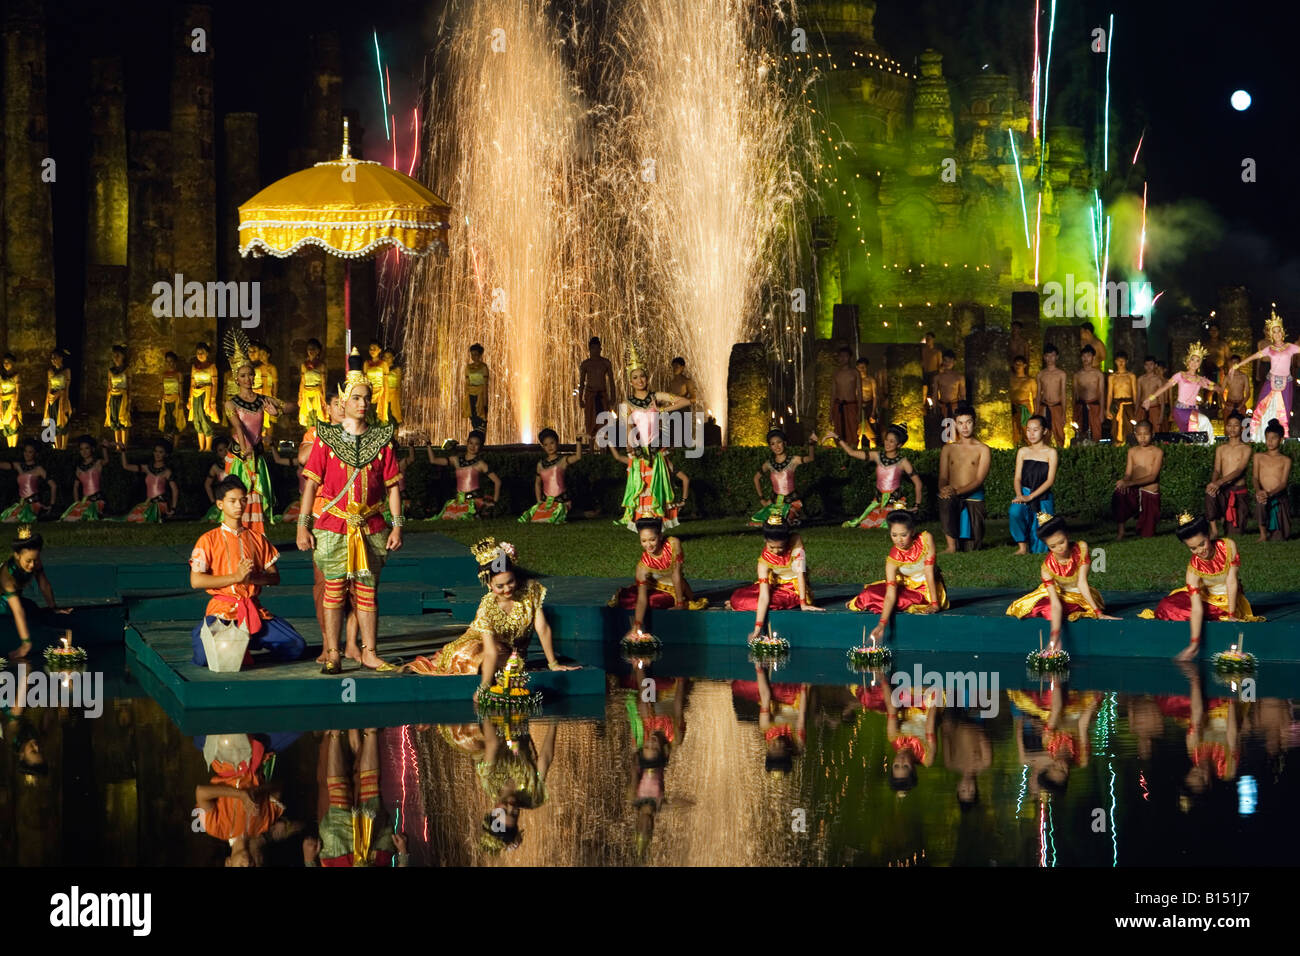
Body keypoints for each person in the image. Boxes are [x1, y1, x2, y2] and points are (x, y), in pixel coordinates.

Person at [297, 351, 403, 674]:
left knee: (368, 590)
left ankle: (370, 652)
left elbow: (393, 487)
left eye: (367, 398)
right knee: (334, 589)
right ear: (344, 400)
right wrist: (303, 525)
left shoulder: (381, 440)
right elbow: (311, 487)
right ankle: (332, 652)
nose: (363, 404)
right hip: (333, 525)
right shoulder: (326, 439)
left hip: (371, 525)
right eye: (357, 397)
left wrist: (398, 526)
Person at [403, 538, 576, 684]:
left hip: (512, 652)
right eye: (500, 586)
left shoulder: (531, 590)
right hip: (483, 642)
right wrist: (484, 687)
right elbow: (490, 650)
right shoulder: (488, 607)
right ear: (489, 585)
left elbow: (542, 628)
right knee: (470, 655)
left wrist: (553, 663)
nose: (507, 589)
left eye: (511, 582)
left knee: (512, 667)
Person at [188, 476, 306, 668]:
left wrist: (254, 578)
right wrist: (235, 577)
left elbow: (275, 577)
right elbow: (196, 580)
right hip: (222, 612)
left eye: (243, 500)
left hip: (252, 610)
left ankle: (245, 643)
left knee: (296, 646)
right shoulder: (208, 540)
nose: (239, 505)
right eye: (232, 501)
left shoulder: (257, 538)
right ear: (220, 504)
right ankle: (221, 640)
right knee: (203, 657)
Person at [1139, 513, 1263, 660]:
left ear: (1209, 535)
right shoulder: (1193, 569)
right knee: (1166, 605)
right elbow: (1197, 608)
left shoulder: (1228, 547)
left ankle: (1222, 614)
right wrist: (1194, 643)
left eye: (1202, 544)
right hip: (1207, 597)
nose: (1200, 551)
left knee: (1185, 610)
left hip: (1228, 599)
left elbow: (1232, 581)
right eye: (1193, 548)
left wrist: (1231, 615)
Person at [610, 342, 693, 530]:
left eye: (642, 376)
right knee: (642, 487)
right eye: (635, 378)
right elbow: (628, 426)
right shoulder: (627, 403)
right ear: (631, 382)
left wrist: (663, 409)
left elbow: (685, 400)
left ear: (647, 377)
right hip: (640, 451)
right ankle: (644, 525)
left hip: (657, 449)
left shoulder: (656, 397)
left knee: (658, 487)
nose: (640, 380)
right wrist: (630, 444)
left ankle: (658, 524)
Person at [1006, 514, 1117, 653]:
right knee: (1047, 607)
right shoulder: (1046, 568)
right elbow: (1055, 603)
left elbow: (1082, 583)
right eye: (1053, 546)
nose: (1060, 548)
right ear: (1047, 546)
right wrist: (1054, 638)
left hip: (1079, 594)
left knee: (1069, 608)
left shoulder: (1081, 548)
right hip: (1057, 595)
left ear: (1067, 535)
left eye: (1062, 542)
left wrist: (1098, 613)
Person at [223, 330, 290, 535]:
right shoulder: (230, 403)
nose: (248, 378)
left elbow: (290, 407)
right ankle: (236, 534)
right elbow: (239, 427)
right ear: (237, 379)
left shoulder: (263, 399)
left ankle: (256, 535)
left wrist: (277, 410)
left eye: (251, 374)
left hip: (256, 454)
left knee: (255, 495)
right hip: (239, 456)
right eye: (243, 375)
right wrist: (245, 448)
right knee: (238, 496)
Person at [847, 509, 948, 637]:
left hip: (927, 589)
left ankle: (928, 601)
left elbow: (929, 572)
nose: (899, 540)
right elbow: (890, 593)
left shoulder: (925, 539)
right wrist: (882, 624)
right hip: (906, 586)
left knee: (900, 601)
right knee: (870, 593)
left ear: (912, 531)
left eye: (903, 535)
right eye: (894, 535)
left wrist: (935, 604)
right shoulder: (892, 560)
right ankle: (860, 601)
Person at [308, 728, 399, 866]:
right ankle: (369, 730)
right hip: (373, 855)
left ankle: (335, 732)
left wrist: (308, 861)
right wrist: (403, 854)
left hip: (339, 857)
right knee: (369, 789)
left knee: (338, 795)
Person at [609, 517, 708, 634]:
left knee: (653, 602)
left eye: (652, 539)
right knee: (630, 599)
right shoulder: (642, 566)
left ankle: (681, 600)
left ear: (660, 536)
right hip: (654, 587)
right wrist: (637, 624)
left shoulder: (673, 544)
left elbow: (677, 574)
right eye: (643, 541)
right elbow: (642, 597)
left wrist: (680, 603)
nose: (648, 545)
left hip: (675, 590)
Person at [727, 514, 821, 636]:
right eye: (772, 547)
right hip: (775, 584)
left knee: (757, 602)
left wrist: (803, 604)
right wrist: (757, 629)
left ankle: (739, 606)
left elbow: (800, 573)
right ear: (765, 540)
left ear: (786, 540)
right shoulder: (763, 562)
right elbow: (764, 596)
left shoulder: (795, 541)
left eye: (780, 547)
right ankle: (737, 604)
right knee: (738, 597)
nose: (776, 551)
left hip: (793, 589)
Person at [0, 526, 72, 661]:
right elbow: (17, 610)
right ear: (17, 555)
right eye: (28, 561)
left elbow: (44, 584)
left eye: (36, 560)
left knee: (33, 607)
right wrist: (26, 643)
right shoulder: (7, 574)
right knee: (11, 608)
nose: (32, 565)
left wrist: (53, 607)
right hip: (3, 602)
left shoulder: (34, 561)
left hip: (14, 599)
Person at [835, 423, 922, 529]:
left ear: (899, 445)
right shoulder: (877, 456)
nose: (887, 443)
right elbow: (852, 452)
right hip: (878, 502)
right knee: (866, 524)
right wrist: (837, 438)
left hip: (894, 502)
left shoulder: (903, 462)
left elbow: (918, 483)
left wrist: (917, 505)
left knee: (887, 524)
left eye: (892, 441)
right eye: (886, 440)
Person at [1232, 311, 1300, 438]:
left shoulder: (1290, 347)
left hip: (1286, 383)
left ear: (1282, 332)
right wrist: (1238, 365)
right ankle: (1258, 437)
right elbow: (1254, 356)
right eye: (1274, 332)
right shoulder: (1269, 349)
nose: (1277, 334)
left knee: (1283, 411)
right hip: (1270, 382)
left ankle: (1282, 438)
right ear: (1271, 335)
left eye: (1279, 331)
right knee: (1261, 408)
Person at [937, 403, 989, 552]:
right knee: (945, 500)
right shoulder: (948, 448)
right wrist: (944, 489)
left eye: (968, 422)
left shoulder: (983, 449)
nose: (964, 427)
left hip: (973, 498)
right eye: (960, 423)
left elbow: (979, 480)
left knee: (972, 547)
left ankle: (970, 537)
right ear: (955, 425)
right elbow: (943, 476)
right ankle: (951, 546)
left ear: (975, 423)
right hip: (952, 497)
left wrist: (957, 492)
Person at [1142, 343, 1220, 434]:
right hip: (1181, 410)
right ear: (1188, 361)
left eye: (1198, 361)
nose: (1194, 363)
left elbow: (1218, 389)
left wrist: (1209, 384)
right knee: (1203, 421)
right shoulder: (1180, 375)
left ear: (1200, 364)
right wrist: (1149, 399)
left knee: (1192, 434)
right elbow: (1165, 387)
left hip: (1193, 410)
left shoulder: (1200, 379)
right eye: (1192, 359)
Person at [1008, 415, 1058, 554]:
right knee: (1014, 512)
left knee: (1041, 547)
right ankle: (1022, 547)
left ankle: (1036, 546)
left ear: (1044, 431)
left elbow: (1050, 480)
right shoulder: (1023, 451)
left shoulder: (1051, 453)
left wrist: (1031, 497)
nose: (1031, 434)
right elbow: (1017, 478)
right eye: (1028, 430)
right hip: (1023, 492)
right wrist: (1020, 495)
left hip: (1043, 497)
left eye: (1035, 430)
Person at [750, 427, 815, 526]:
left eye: (779, 442)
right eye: (772, 444)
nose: (776, 446)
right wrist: (762, 499)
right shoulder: (769, 464)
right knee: (760, 521)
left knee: (783, 521)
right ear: (770, 447)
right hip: (777, 501)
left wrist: (811, 444)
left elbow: (810, 458)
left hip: (792, 502)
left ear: (784, 443)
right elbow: (756, 478)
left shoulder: (793, 460)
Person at [429, 430, 501, 520]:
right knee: (449, 516)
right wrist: (428, 443)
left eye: (476, 444)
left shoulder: (480, 464)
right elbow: (433, 460)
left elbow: (497, 481)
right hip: (459, 501)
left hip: (474, 501)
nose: (473, 446)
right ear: (467, 443)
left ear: (480, 446)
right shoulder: (456, 460)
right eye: (471, 443)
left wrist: (494, 502)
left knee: (466, 516)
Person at [1112, 419, 1164, 539]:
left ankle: (1144, 526)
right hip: (1133, 489)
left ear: (1152, 434)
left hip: (1149, 491)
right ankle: (1121, 531)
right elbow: (1128, 473)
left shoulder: (1157, 452)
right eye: (1139, 435)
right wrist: (1124, 481)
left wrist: (1130, 483)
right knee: (1119, 493)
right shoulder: (1132, 451)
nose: (1142, 438)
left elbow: (1153, 476)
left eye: (1146, 434)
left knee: (1147, 534)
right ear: (1135, 435)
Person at [1204, 411, 1252, 537]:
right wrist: (1213, 484)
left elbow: (1239, 471)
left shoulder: (1246, 449)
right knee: (1210, 493)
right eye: (1229, 425)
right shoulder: (1221, 449)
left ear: (1242, 428)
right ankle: (1214, 530)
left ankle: (1226, 521)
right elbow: (1217, 470)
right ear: (1226, 427)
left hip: (1238, 491)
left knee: (1235, 533)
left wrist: (1219, 482)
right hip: (1223, 489)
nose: (1232, 428)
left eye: (1235, 425)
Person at [518, 428, 581, 523]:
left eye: (552, 443)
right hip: (546, 501)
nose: (549, 447)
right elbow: (538, 484)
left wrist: (578, 441)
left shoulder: (563, 460)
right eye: (546, 445)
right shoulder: (540, 464)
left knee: (555, 515)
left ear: (557, 443)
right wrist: (539, 501)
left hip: (561, 500)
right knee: (535, 517)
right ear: (543, 447)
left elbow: (578, 457)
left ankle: (573, 513)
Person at [1253, 418, 1292, 541]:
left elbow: (1283, 483)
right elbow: (1255, 477)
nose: (1269, 442)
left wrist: (1269, 494)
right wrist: (1259, 491)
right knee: (1261, 501)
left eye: (1273, 438)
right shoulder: (1258, 457)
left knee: (1280, 537)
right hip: (1262, 494)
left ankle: (1278, 528)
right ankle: (1263, 534)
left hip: (1278, 496)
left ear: (1280, 440)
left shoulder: (1286, 460)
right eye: (1267, 438)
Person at [121, 441, 179, 522]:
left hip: (160, 504)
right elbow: (126, 466)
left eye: (160, 452)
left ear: (166, 454)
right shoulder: (147, 468)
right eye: (155, 451)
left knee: (144, 516)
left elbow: (175, 490)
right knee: (131, 517)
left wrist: (173, 509)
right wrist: (123, 451)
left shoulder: (167, 472)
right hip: (148, 503)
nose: (157, 454)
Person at [0, 440, 55, 522]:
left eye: (30, 452)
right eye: (25, 451)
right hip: (21, 503)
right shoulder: (19, 465)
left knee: (18, 519)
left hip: (33, 504)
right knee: (6, 518)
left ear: (35, 454)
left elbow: (53, 485)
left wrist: (52, 505)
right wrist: (18, 468)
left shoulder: (38, 469)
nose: (26, 454)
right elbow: (3, 465)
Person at [60, 435, 109, 521]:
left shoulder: (97, 463)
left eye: (87, 448)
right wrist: (77, 503)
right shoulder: (79, 468)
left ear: (92, 449)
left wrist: (104, 448)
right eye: (81, 449)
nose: (84, 451)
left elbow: (106, 460)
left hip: (97, 500)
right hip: (85, 501)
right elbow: (76, 487)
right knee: (71, 518)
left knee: (90, 515)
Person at [578, 336, 616, 444]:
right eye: (593, 348)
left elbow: (612, 382)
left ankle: (603, 449)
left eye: (597, 348)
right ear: (589, 349)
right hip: (590, 396)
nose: (595, 350)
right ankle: (590, 450)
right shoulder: (585, 364)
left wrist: (613, 397)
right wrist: (580, 399)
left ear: (600, 349)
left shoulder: (606, 363)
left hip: (602, 396)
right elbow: (581, 383)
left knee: (604, 423)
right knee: (590, 423)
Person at [189, 341, 219, 452]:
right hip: (196, 395)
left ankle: (208, 447)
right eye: (198, 353)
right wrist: (189, 399)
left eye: (202, 352)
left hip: (206, 395)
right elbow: (192, 384)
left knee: (205, 419)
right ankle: (201, 447)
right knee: (197, 419)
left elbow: (215, 384)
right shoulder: (194, 367)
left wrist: (213, 399)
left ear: (207, 353)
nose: (200, 355)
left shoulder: (212, 367)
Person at [1035, 344, 1068, 446]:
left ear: (1057, 357)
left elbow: (1063, 393)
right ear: (1044, 357)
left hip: (1056, 406)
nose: (1050, 358)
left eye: (1052, 356)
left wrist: (1063, 413)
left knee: (1059, 434)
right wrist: (1036, 412)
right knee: (1043, 433)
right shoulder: (1041, 374)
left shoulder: (1061, 374)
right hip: (1044, 406)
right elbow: (1038, 394)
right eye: (1047, 356)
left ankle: (1061, 454)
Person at [829, 346, 862, 443]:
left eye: (845, 356)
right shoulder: (836, 373)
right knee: (838, 431)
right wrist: (831, 412)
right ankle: (840, 452)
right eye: (841, 356)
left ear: (850, 358)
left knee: (852, 431)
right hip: (838, 406)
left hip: (851, 406)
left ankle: (852, 452)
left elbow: (859, 393)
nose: (843, 358)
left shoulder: (855, 373)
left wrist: (859, 411)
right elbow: (833, 393)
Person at [1073, 345, 1104, 444]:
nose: (1086, 358)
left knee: (1096, 433)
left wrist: (1102, 412)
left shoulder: (1098, 374)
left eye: (1088, 356)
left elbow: (1101, 393)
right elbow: (1075, 395)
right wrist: (1074, 412)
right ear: (1081, 357)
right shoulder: (1077, 375)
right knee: (1080, 433)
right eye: (1084, 356)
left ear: (1093, 357)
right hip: (1080, 406)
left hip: (1094, 406)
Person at [44, 348, 72, 450]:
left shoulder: (66, 371)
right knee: (54, 424)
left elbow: (67, 387)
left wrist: (64, 401)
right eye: (52, 358)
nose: (53, 360)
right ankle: (57, 448)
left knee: (63, 423)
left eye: (55, 358)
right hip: (52, 401)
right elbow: (49, 387)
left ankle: (63, 448)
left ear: (61, 358)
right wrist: (47, 403)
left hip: (61, 399)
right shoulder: (50, 372)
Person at [1107, 351, 1138, 443]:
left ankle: (1129, 444)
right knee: (1115, 427)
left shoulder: (1131, 376)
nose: (1121, 363)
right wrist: (1107, 409)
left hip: (1128, 404)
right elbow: (1109, 394)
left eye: (1123, 361)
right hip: (1116, 404)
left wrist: (1136, 408)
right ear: (1115, 362)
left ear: (1126, 361)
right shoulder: (1112, 377)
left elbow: (1135, 393)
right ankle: (1117, 445)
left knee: (1129, 426)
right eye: (1118, 361)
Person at [297, 338, 328, 429]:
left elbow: (324, 382)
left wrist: (324, 397)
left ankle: (317, 440)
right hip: (306, 393)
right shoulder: (304, 365)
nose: (311, 351)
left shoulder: (321, 365)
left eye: (313, 349)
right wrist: (300, 396)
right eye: (309, 349)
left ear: (318, 351)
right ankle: (309, 440)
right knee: (308, 417)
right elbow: (302, 381)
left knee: (318, 417)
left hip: (317, 393)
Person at [928, 349, 965, 422]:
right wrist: (934, 408)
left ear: (954, 362)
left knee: (955, 429)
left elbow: (962, 395)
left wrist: (962, 410)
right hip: (943, 407)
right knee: (944, 429)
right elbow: (935, 394)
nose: (947, 363)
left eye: (950, 361)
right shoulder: (937, 377)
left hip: (955, 407)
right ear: (943, 361)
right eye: (945, 360)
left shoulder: (959, 377)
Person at [201, 437, 232, 522]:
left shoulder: (236, 464)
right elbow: (207, 484)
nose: (224, 452)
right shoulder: (215, 467)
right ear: (217, 453)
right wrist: (213, 501)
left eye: (226, 449)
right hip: (222, 498)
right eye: (220, 450)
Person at [158, 351, 186, 443]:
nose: (170, 364)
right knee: (166, 421)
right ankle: (166, 444)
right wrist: (159, 399)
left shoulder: (178, 374)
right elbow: (161, 389)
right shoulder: (163, 375)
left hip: (176, 400)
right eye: (168, 361)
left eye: (172, 361)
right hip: (165, 400)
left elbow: (180, 388)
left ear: (175, 362)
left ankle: (175, 445)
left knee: (176, 421)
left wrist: (181, 400)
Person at [1009, 355, 1037, 446]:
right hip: (1013, 407)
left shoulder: (1030, 380)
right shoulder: (1010, 380)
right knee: (1014, 431)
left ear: (1024, 365)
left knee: (1026, 430)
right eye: (1016, 364)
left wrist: (1035, 412)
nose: (1018, 367)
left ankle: (1031, 449)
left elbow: (1034, 397)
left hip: (1025, 407)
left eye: (1020, 365)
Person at [253, 343, 280, 434]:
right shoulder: (258, 368)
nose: (261, 356)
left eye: (263, 354)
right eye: (259, 354)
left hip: (268, 394)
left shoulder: (272, 368)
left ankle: (268, 439)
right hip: (260, 394)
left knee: (269, 418)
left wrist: (274, 397)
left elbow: (275, 384)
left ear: (268, 355)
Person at [1136, 355, 1166, 432]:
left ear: (1155, 365)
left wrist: (1161, 415)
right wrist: (1136, 412)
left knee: (1156, 430)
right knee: (1141, 429)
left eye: (1151, 364)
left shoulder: (1158, 380)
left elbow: (1162, 399)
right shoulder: (1140, 379)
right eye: (1147, 365)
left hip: (1154, 407)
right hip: (1142, 408)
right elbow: (1138, 397)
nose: (1149, 367)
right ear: (1144, 366)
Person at [362, 340, 389, 426]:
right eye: (370, 349)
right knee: (369, 415)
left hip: (380, 393)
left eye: (374, 349)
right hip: (370, 392)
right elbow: (365, 380)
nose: (372, 351)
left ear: (380, 350)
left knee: (380, 416)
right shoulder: (366, 363)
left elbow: (385, 381)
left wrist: (386, 395)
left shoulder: (383, 364)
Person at [1220, 354, 1252, 427]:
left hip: (1241, 403)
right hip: (1229, 404)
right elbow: (1221, 392)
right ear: (1230, 364)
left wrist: (1242, 405)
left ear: (1240, 363)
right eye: (1233, 362)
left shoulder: (1244, 377)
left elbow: (1248, 393)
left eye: (1237, 362)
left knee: (1242, 426)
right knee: (1227, 425)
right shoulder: (1227, 377)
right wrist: (1225, 404)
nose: (1234, 364)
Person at [464, 343, 488, 433]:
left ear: (480, 355)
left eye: (476, 354)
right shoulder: (468, 367)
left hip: (480, 395)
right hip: (470, 395)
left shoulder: (483, 367)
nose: (474, 357)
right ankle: (475, 433)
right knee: (473, 417)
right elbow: (467, 382)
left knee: (480, 417)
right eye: (472, 355)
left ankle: (480, 437)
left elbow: (485, 384)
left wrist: (485, 400)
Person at [856, 357, 878, 448]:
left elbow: (875, 396)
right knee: (858, 433)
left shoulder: (871, 380)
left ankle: (874, 450)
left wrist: (873, 411)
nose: (862, 370)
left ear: (867, 367)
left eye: (864, 367)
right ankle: (857, 451)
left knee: (872, 432)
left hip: (869, 406)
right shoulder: (855, 380)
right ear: (857, 368)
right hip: (858, 406)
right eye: (860, 367)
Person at [0, 353, 21, 449]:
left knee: (13, 425)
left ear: (13, 363)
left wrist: (15, 404)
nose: (6, 364)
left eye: (8, 362)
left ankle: (14, 448)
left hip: (12, 402)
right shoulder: (2, 377)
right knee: (7, 426)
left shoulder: (16, 376)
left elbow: (18, 390)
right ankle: (9, 448)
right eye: (4, 362)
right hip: (4, 402)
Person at [381, 348, 403, 427]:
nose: (386, 359)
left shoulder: (397, 370)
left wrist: (400, 397)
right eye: (385, 357)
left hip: (393, 395)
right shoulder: (381, 369)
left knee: (394, 416)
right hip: (383, 395)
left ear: (393, 358)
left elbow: (399, 385)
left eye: (389, 357)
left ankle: (395, 436)